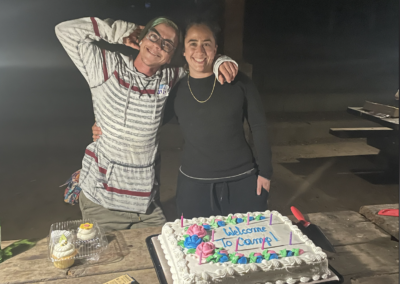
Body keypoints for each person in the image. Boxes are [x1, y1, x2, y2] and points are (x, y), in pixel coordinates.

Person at [55, 16, 238, 232]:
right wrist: (123, 31)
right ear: (141, 39)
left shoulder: (168, 77)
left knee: (164, 258)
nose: (158, 45)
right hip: (103, 202)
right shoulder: (105, 65)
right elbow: (65, 30)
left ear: (170, 56)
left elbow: (199, 60)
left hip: (147, 205)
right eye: (153, 36)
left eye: (167, 44)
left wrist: (219, 60)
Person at [93, 18, 272, 219]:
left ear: (215, 48)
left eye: (207, 44)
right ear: (184, 51)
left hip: (243, 178)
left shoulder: (237, 81)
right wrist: (108, 125)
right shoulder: (174, 88)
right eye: (193, 44)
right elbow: (146, 118)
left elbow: (258, 125)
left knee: (248, 244)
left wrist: (265, 172)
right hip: (194, 184)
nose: (200, 50)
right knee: (195, 245)